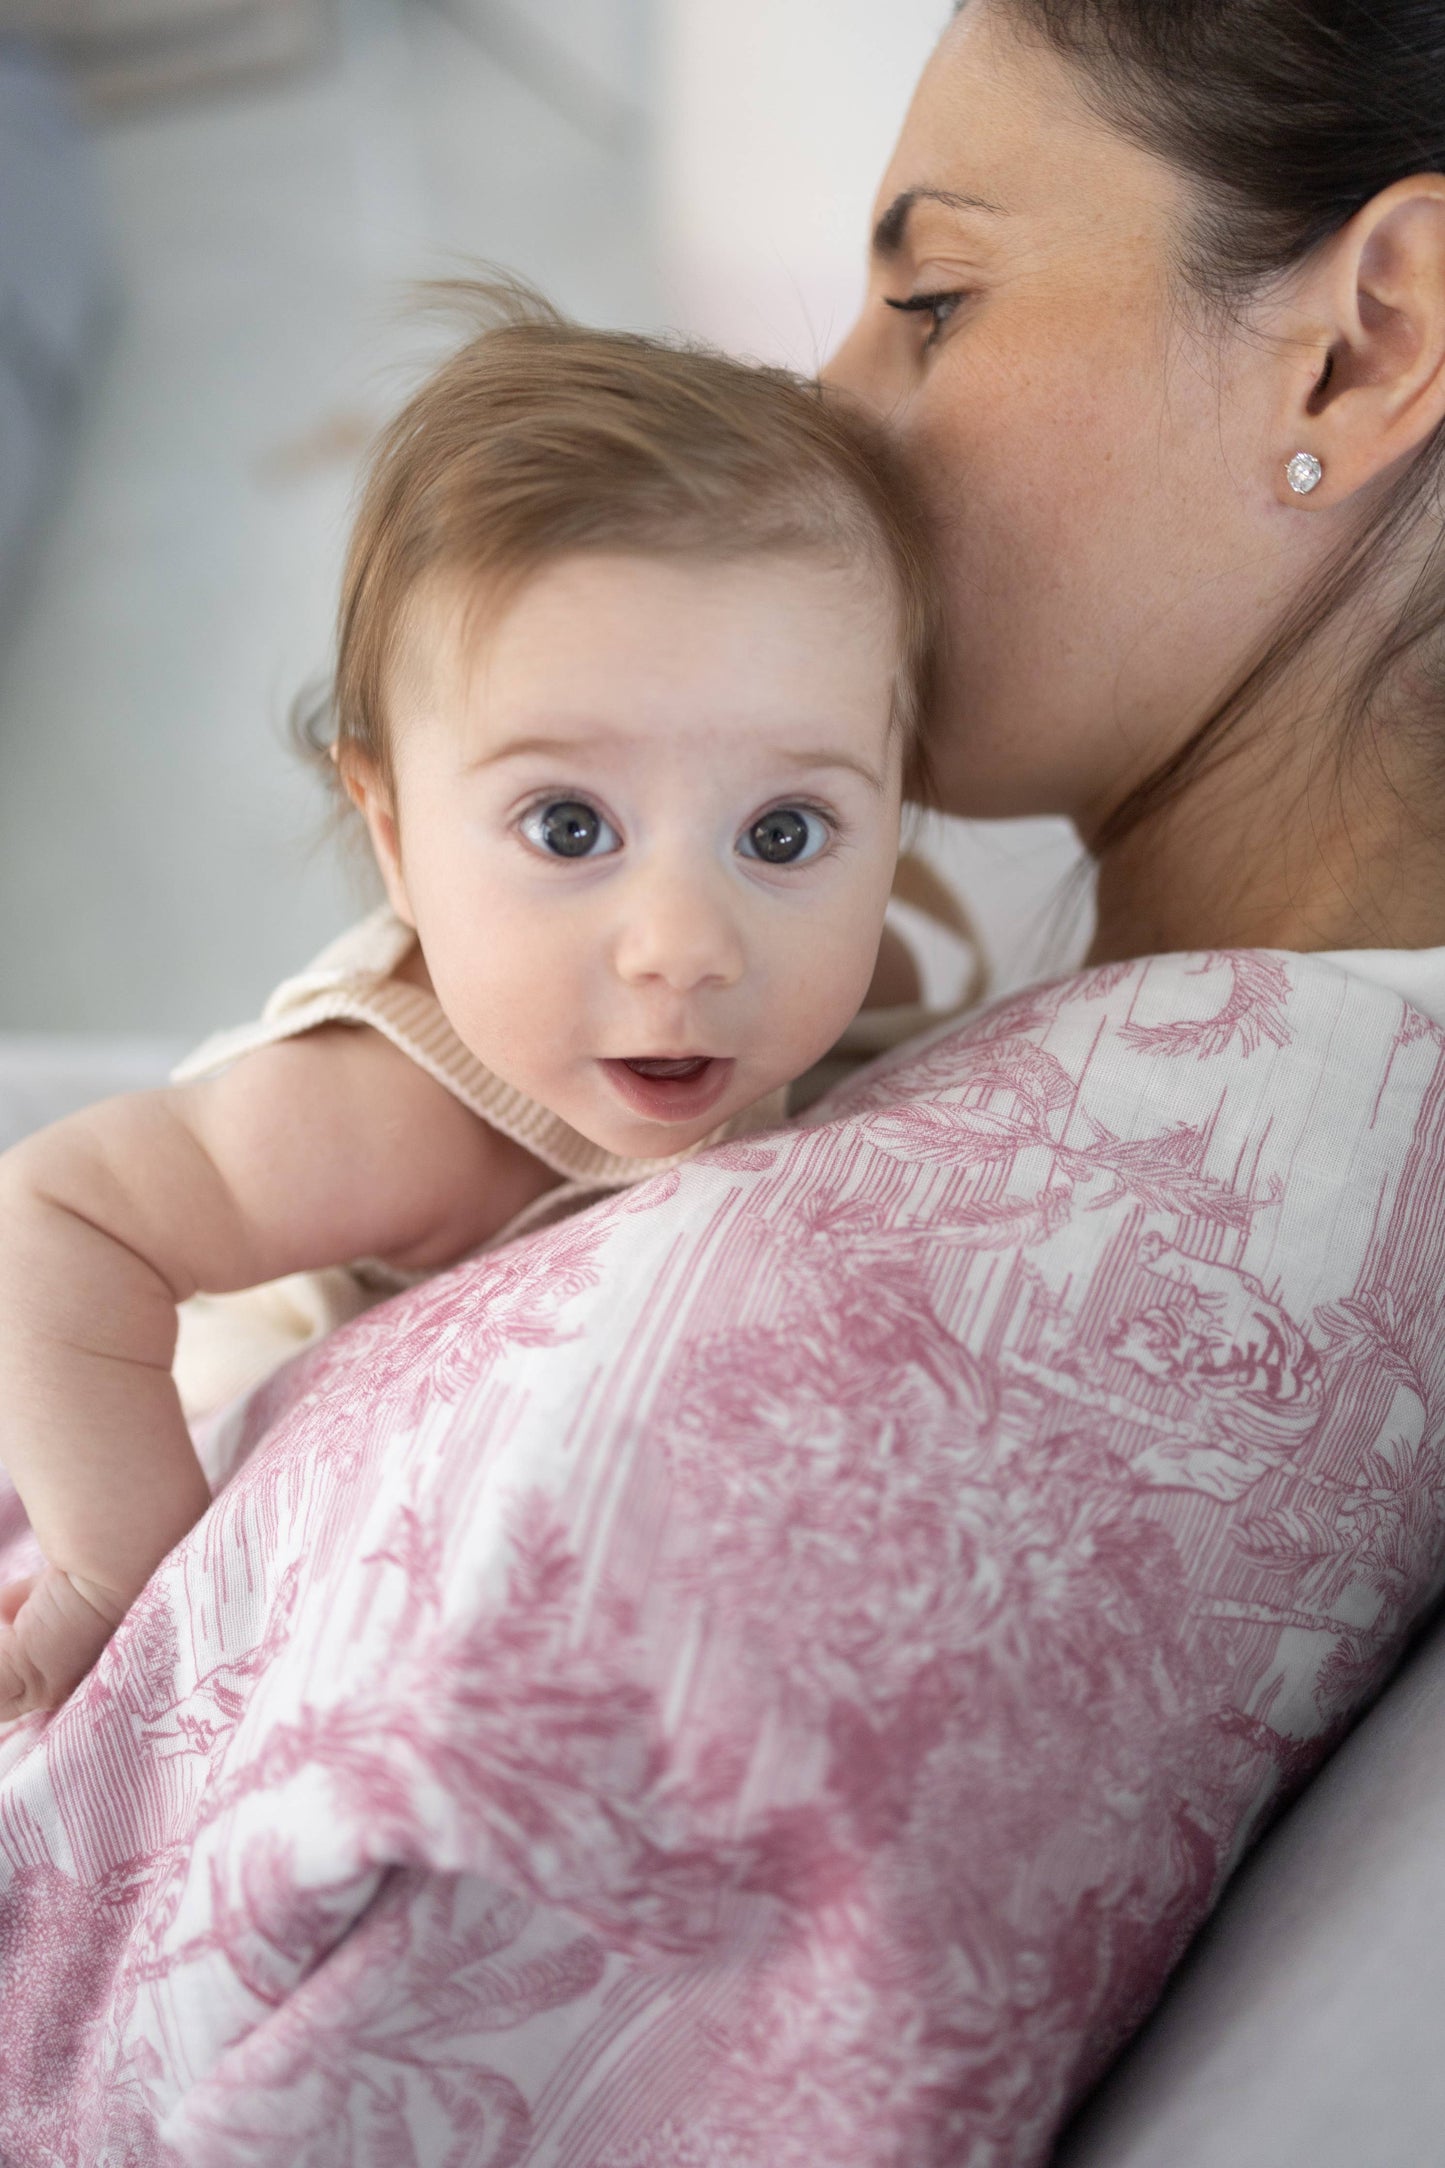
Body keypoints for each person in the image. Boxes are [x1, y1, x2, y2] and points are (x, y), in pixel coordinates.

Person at [3, 3, 1445, 2161]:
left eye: (929, 296)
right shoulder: (1130, 1065)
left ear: (1362, 343)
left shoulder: (837, 1385)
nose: (833, 402)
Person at [0, 295, 963, 1720]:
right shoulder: (387, 1113)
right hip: (143, 1408)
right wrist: (111, 1570)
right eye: (569, 828)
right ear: (389, 831)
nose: (684, 948)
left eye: (782, 832)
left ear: (895, 810)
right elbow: (54, 1220)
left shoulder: (857, 976)